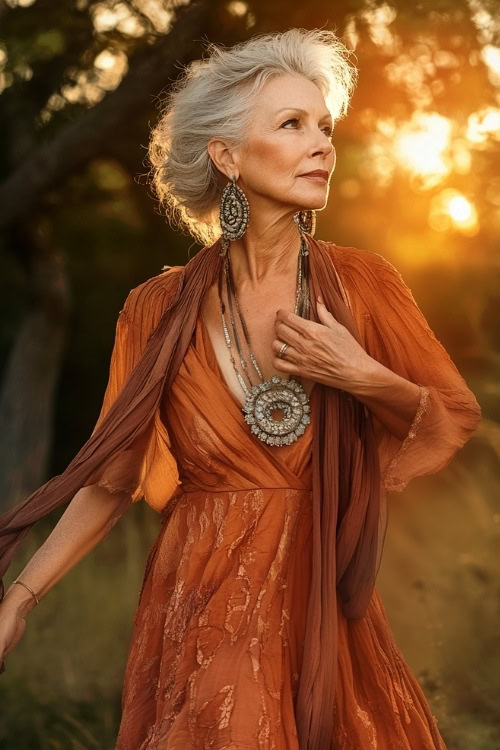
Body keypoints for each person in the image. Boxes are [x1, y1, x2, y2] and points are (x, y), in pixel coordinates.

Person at [0, 28, 481, 749]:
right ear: (226, 156)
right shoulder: (155, 311)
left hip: (316, 604)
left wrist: (364, 376)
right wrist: (21, 599)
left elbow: (446, 417)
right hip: (199, 600)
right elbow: (111, 482)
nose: (322, 143)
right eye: (291, 125)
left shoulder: (363, 285)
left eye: (325, 125)